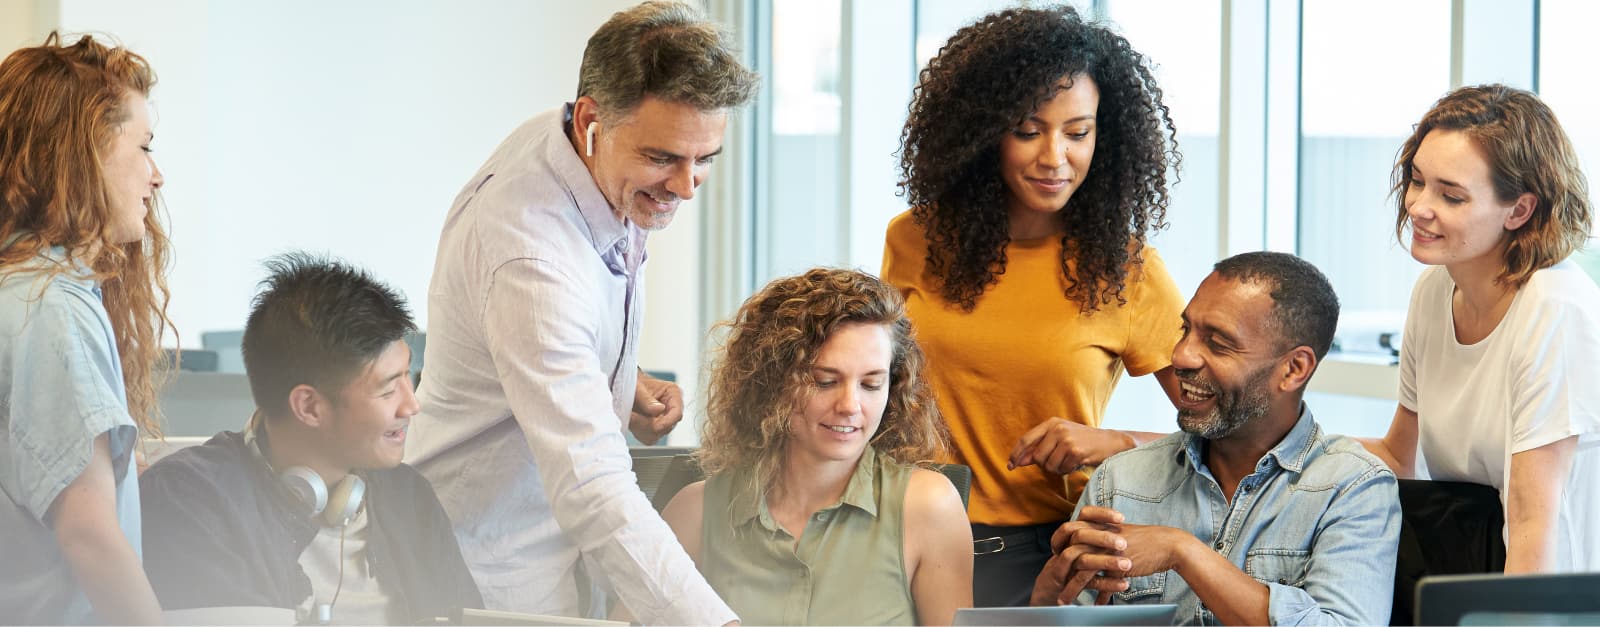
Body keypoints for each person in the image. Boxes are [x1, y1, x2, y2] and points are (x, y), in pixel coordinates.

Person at [401, 2, 758, 622]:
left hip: (550, 539)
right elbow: (592, 485)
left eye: (704, 160)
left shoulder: (572, 140)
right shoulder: (530, 255)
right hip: (488, 566)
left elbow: (549, 318)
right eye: (664, 158)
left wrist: (614, 375)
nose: (687, 187)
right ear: (593, 118)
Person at [881, 4, 1184, 606]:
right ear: (980, 132)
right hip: (907, 534)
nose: (1054, 157)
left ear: (1107, 135)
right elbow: (883, 388)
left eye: (1078, 132)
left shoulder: (1128, 271)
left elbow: (1225, 437)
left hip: (1053, 556)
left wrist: (1113, 442)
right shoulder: (913, 240)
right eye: (1027, 129)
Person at [1034, 252, 1401, 625]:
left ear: (1294, 369)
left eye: (1218, 343)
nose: (1181, 355)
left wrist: (1182, 551)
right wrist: (1046, 603)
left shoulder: (1353, 488)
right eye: (1185, 331)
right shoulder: (1120, 481)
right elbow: (1065, 616)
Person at [140, 253, 482, 625]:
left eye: (408, 378)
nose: (412, 406)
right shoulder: (190, 502)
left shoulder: (408, 497)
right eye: (387, 390)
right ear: (309, 406)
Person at [1361, 84, 1600, 573]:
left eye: (1451, 195)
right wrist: (1254, 449)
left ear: (1519, 210)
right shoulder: (1433, 291)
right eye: (1417, 180)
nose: (1418, 207)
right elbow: (1397, 456)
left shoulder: (1554, 309)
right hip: (1474, 562)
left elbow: (1534, 522)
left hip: (1551, 587)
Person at [660, 268, 972, 625]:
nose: (851, 406)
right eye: (824, 381)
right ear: (770, 381)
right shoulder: (695, 513)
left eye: (871, 385)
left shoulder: (928, 508)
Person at [0, 33, 170, 625]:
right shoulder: (53, 308)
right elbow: (90, 537)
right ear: (86, 152)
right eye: (144, 147)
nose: (157, 176)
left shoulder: (17, 288)